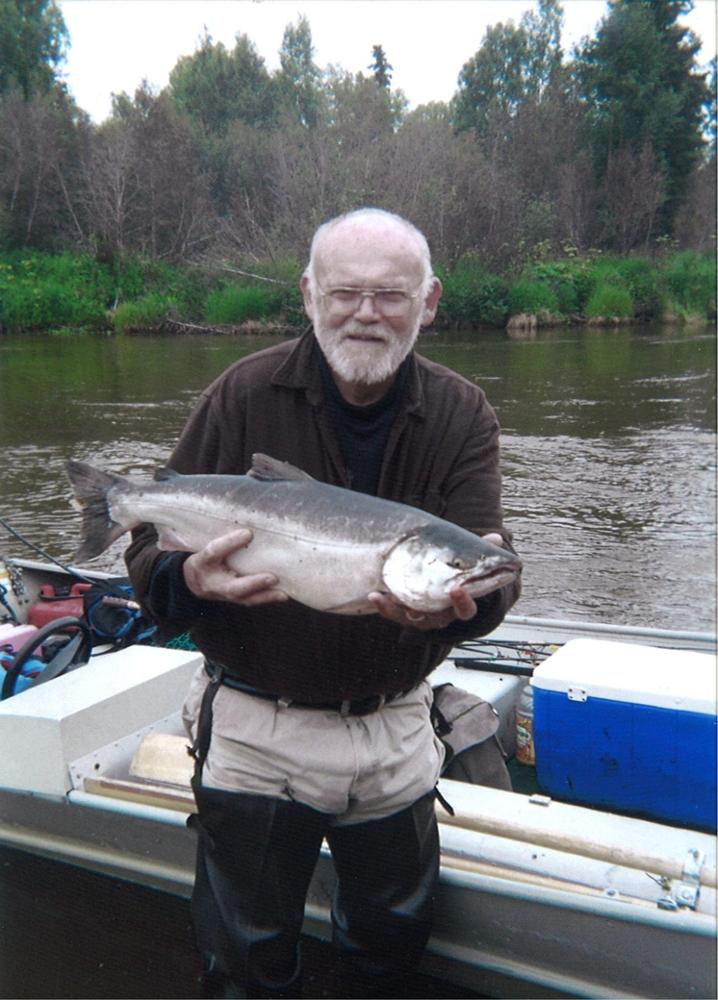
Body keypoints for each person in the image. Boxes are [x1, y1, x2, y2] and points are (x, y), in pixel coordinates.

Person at [125, 207, 521, 999]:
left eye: (390, 295)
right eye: (345, 292)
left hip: (395, 733)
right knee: (245, 966)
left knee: (390, 954)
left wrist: (465, 608)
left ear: (430, 301)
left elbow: (495, 567)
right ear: (309, 294)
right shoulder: (241, 393)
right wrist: (190, 582)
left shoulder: (461, 413)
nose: (366, 314)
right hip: (257, 733)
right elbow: (147, 563)